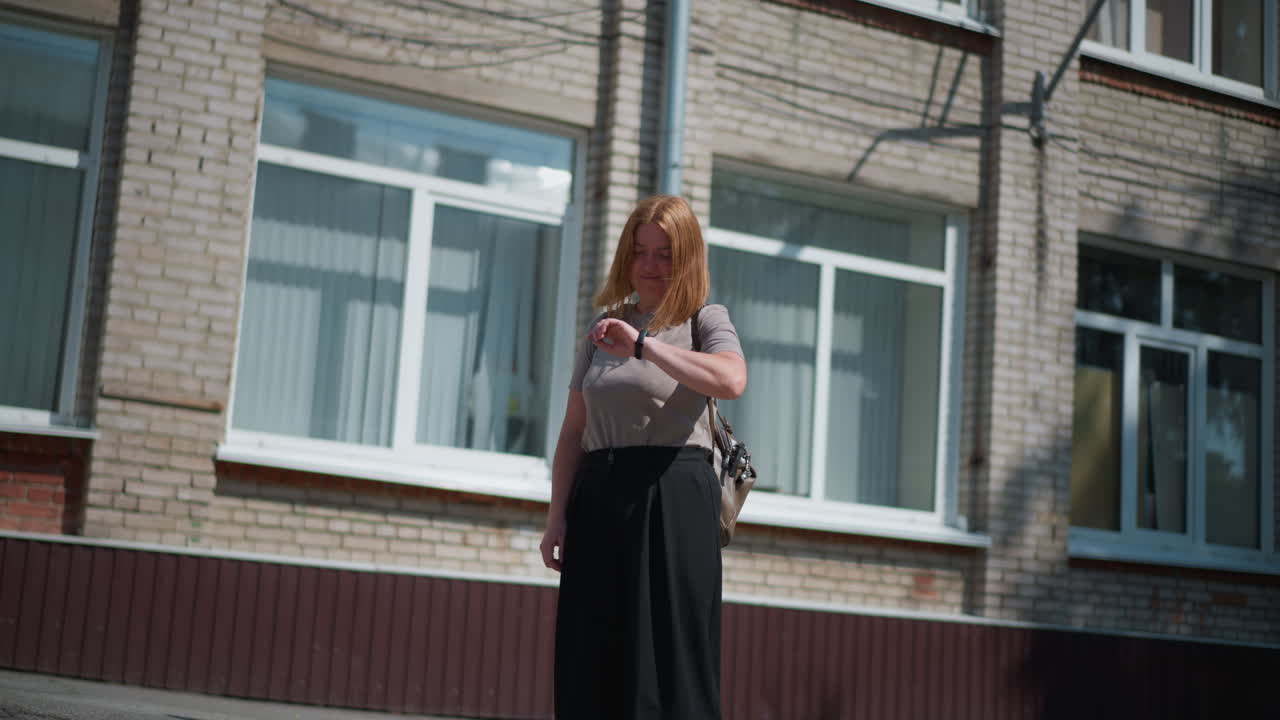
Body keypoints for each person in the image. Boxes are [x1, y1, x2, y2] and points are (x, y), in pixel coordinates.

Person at [540, 194, 746, 719]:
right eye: (640, 252)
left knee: (673, 655)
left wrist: (643, 346)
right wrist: (556, 517)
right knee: (593, 653)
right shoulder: (603, 327)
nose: (649, 266)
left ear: (687, 258)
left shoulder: (704, 319)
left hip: (675, 492)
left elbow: (732, 379)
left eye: (664, 253)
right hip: (601, 496)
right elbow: (572, 433)